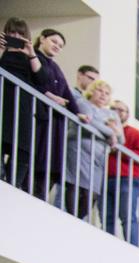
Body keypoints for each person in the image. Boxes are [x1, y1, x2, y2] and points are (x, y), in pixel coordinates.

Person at [30, 29, 84, 202]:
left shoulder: (56, 67)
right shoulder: (32, 57)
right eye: (54, 42)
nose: (57, 47)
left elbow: (67, 93)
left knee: (49, 167)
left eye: (60, 46)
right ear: (43, 39)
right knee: (35, 161)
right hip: (38, 119)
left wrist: (78, 114)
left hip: (55, 125)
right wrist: (49, 96)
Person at [64, 77, 121, 220]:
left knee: (92, 195)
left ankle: (76, 220)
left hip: (99, 158)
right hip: (79, 150)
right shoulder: (84, 104)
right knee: (75, 185)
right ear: (91, 91)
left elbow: (121, 139)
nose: (103, 95)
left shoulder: (112, 114)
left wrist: (115, 133)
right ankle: (71, 218)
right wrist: (111, 132)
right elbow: (89, 122)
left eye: (107, 93)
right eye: (99, 90)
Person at [0, 18, 48, 190]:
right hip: (2, 108)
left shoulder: (30, 57)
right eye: (12, 32)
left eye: (20, 33)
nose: (15, 36)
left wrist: (31, 54)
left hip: (22, 112)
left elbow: (43, 80)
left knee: (18, 168)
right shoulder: (2, 53)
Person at [104, 99, 139, 246]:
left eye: (121, 110)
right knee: (107, 215)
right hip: (105, 178)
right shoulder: (103, 129)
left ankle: (132, 247)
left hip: (127, 179)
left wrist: (121, 150)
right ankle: (107, 244)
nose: (117, 112)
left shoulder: (136, 134)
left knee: (128, 216)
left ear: (127, 114)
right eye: (114, 109)